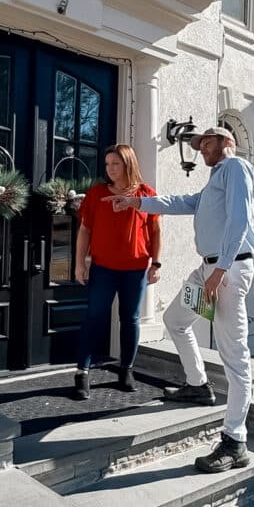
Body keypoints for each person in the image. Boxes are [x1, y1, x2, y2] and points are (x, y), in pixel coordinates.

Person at [105, 126, 254, 473]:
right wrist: (135, 202)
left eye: (208, 142)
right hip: (208, 270)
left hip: (228, 271)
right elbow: (180, 203)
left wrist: (220, 271)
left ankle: (235, 442)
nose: (202, 148)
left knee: (234, 357)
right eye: (199, 144)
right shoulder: (214, 181)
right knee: (175, 320)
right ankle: (197, 385)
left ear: (227, 143)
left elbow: (240, 220)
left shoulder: (236, 168)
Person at [73, 144, 162, 399]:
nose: (110, 169)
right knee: (94, 317)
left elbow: (156, 232)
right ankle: (82, 372)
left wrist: (156, 264)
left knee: (131, 319)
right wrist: (80, 263)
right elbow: (84, 231)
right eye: (107, 164)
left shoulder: (146, 195)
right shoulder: (97, 194)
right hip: (103, 269)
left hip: (135, 270)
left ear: (128, 164)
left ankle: (126, 369)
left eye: (116, 164)